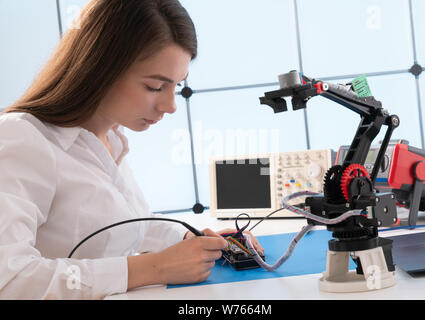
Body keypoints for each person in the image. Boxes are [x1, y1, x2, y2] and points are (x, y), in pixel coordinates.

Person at [0, 0, 263, 300]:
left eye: (175, 86)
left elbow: (127, 227)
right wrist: (152, 268)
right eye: (154, 87)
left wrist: (192, 237)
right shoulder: (21, 137)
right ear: (99, 68)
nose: (170, 106)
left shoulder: (111, 136)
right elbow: (9, 278)